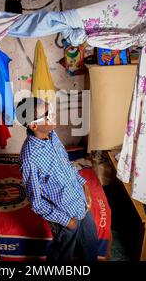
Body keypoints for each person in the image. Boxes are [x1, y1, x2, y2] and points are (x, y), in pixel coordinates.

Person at [16, 97, 98, 261]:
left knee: (90, 245)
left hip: (81, 203)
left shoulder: (52, 135)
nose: (53, 114)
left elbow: (67, 165)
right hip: (65, 217)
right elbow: (37, 203)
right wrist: (67, 222)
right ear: (34, 125)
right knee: (62, 255)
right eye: (47, 114)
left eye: (51, 109)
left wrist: (85, 187)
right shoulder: (30, 158)